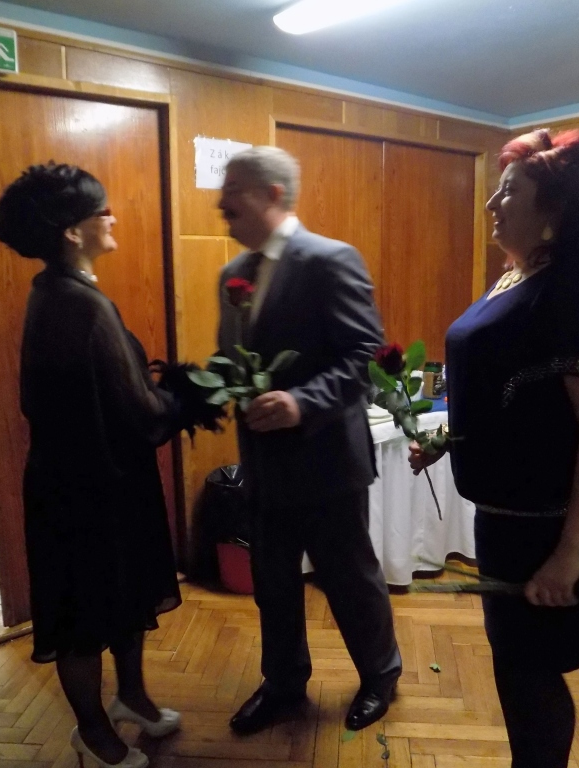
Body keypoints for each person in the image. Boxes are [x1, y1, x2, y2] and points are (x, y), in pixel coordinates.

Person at [409, 129, 579, 768]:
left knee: (529, 666)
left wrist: (569, 555)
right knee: (516, 659)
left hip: (553, 525)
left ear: (556, 210)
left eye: (510, 191)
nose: (492, 204)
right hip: (509, 518)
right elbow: (509, 389)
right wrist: (446, 439)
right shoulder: (521, 275)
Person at [0, 162, 219, 768]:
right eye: (103, 211)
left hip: (100, 479)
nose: (113, 218)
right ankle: (92, 734)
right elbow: (137, 409)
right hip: (82, 489)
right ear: (73, 231)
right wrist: (193, 397)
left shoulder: (60, 290)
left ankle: (132, 700)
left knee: (124, 595)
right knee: (83, 613)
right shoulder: (77, 302)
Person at [216, 146, 401, 735]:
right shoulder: (231, 273)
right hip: (262, 463)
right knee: (272, 583)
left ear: (272, 194)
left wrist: (301, 402)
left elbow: (365, 355)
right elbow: (230, 358)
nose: (221, 202)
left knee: (349, 579)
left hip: (327, 461)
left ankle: (381, 675)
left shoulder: (330, 260)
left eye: (233, 189)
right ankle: (284, 683)